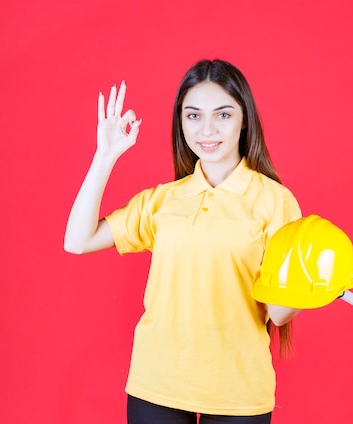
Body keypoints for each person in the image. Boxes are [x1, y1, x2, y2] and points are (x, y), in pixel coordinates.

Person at [64, 59, 302, 424]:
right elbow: (78, 241)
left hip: (238, 389)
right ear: (181, 123)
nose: (207, 129)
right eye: (193, 116)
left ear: (244, 120)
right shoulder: (164, 200)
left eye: (223, 115)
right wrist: (104, 156)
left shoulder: (275, 201)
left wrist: (312, 284)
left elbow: (279, 312)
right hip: (156, 381)